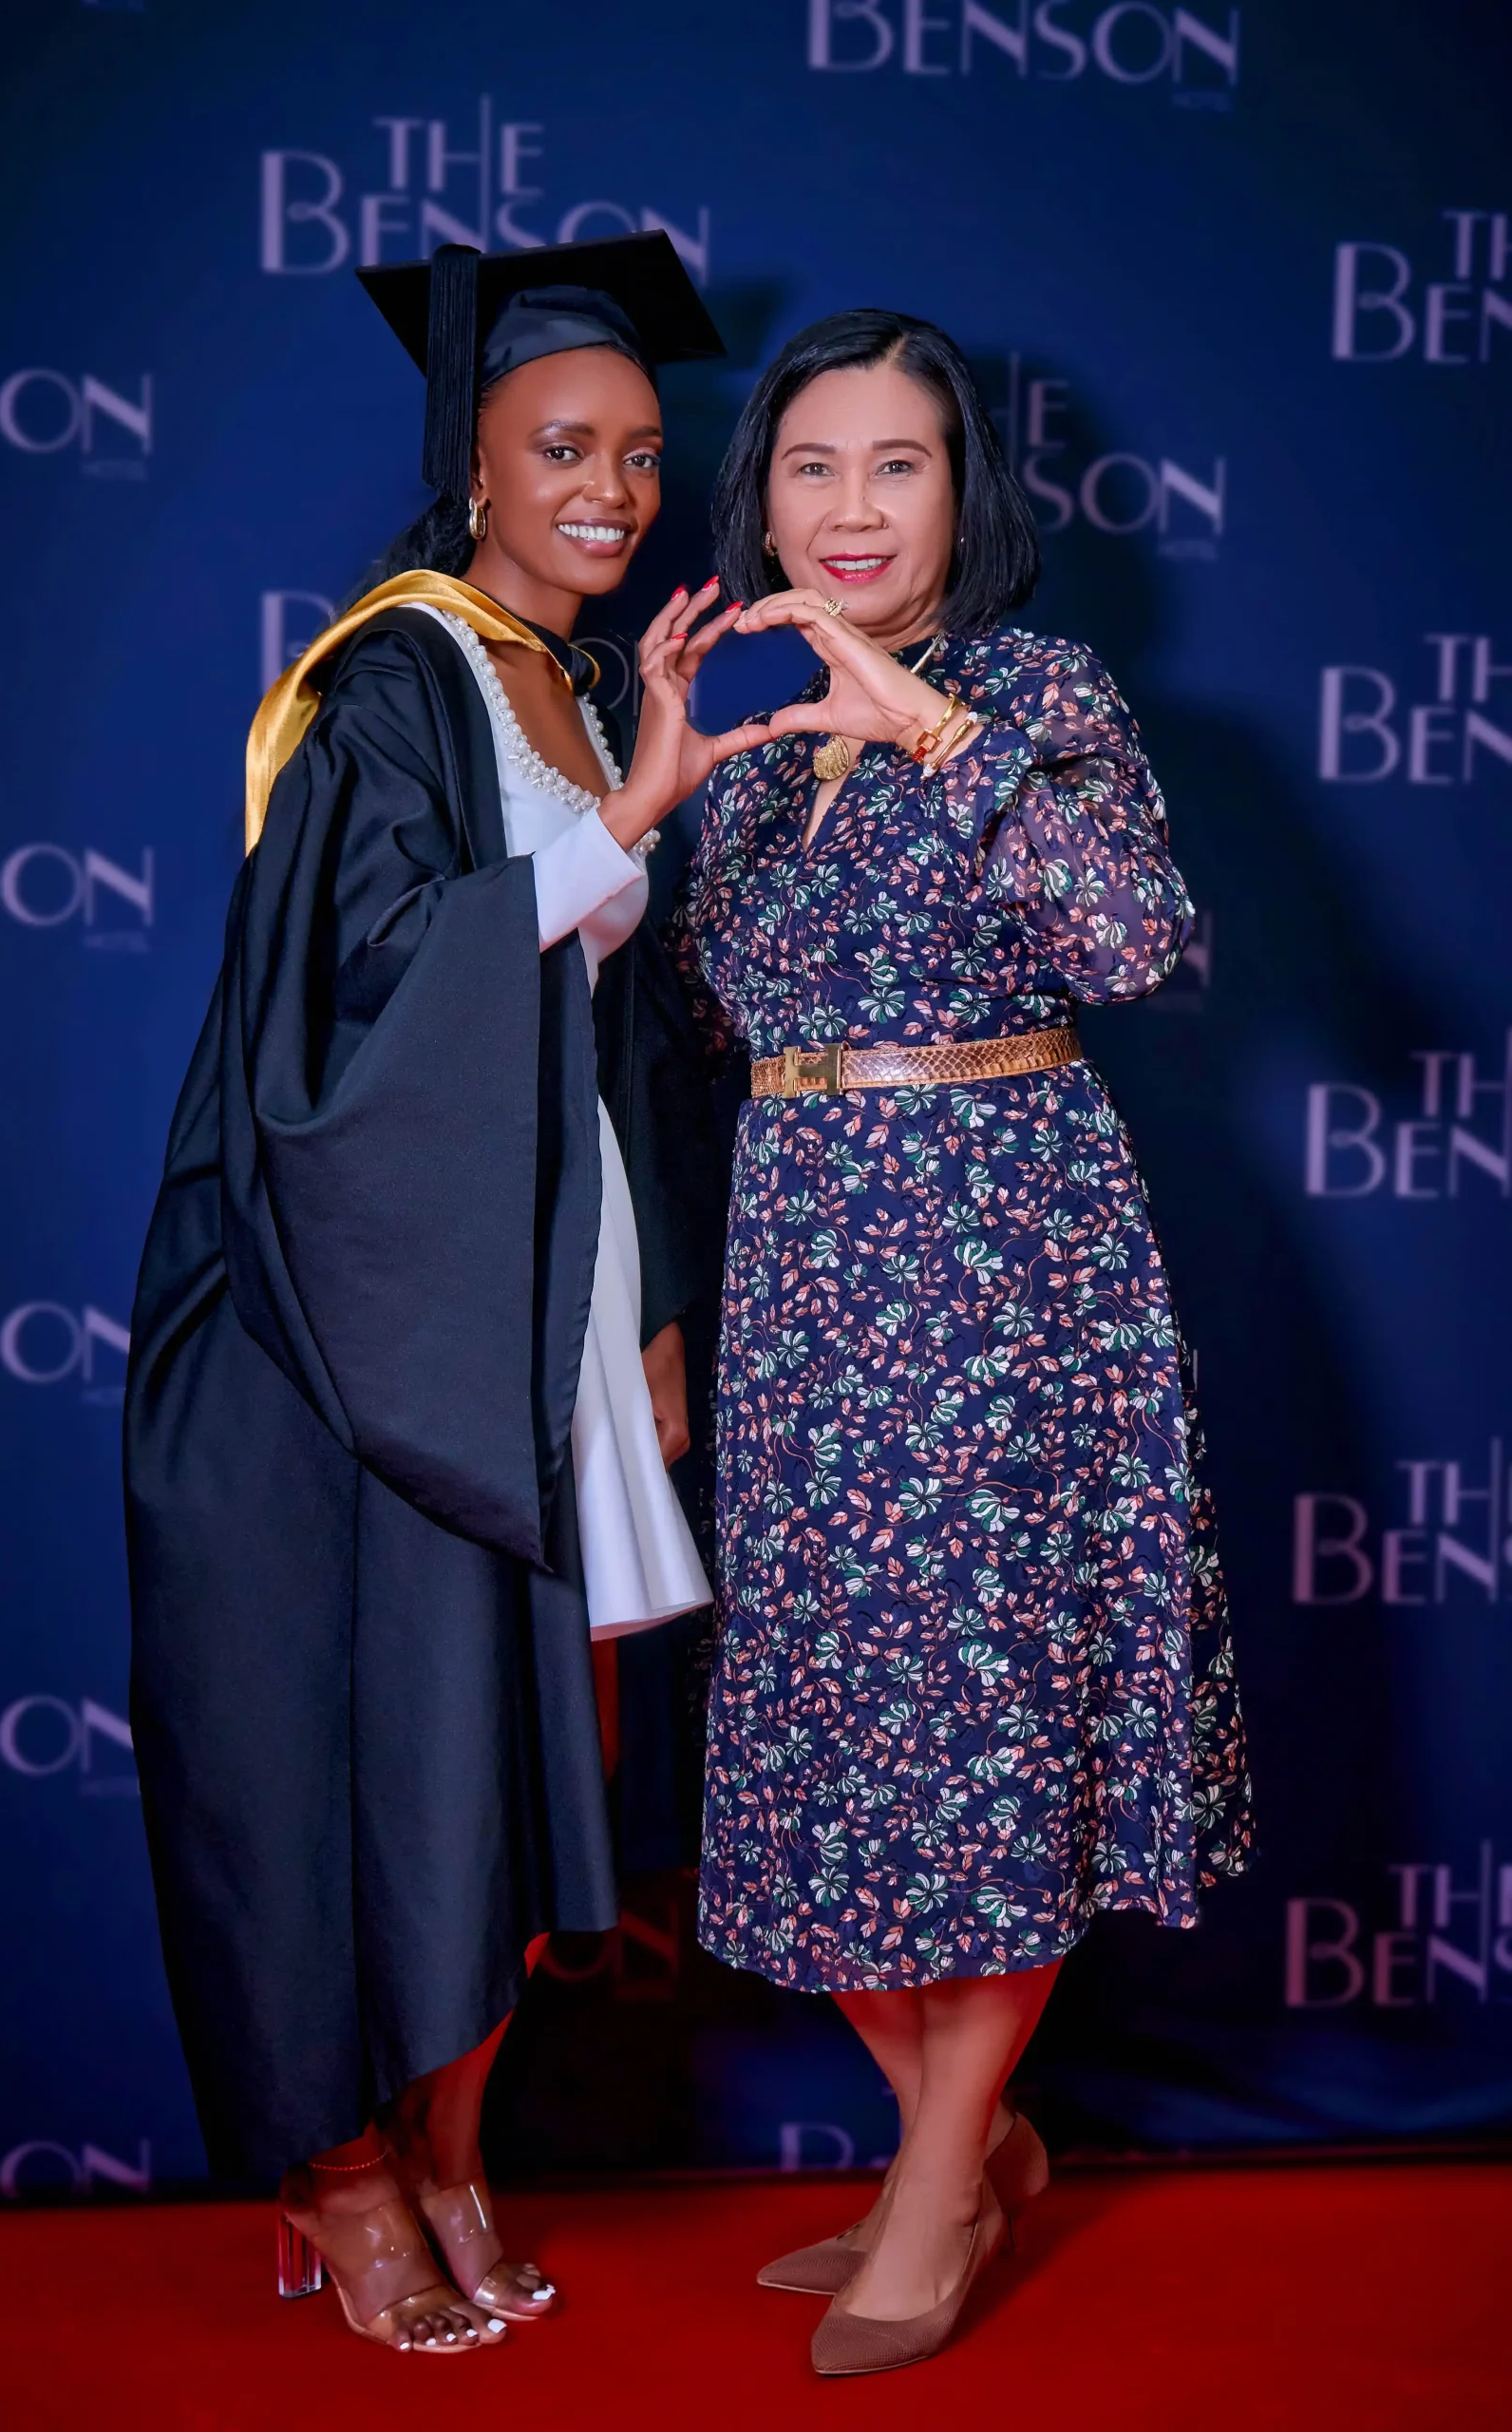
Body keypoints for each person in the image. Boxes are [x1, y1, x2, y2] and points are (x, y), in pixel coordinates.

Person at [605, 309, 1255, 2376]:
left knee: (989, 1734)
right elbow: (686, 1045)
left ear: (963, 492)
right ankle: (962, 2147)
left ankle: (940, 2178)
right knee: (834, 1740)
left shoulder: (1036, 692)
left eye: (899, 462)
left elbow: (1133, 941)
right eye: (813, 464)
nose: (854, 506)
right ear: (761, 495)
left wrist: (930, 726)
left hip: (1002, 1265)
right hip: (804, 1285)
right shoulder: (746, 734)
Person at [124, 233, 726, 2357]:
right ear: (471, 464)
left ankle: (455, 2142)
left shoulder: (582, 679)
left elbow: (615, 1036)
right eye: (561, 446)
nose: (611, 490)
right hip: (350, 1302)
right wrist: (630, 818)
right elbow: (351, 1001)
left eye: (638, 452)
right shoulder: (387, 678)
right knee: (349, 1744)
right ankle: (343, 2166)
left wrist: (653, 1307)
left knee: (518, 1752)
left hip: (541, 1291)